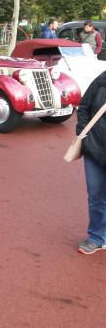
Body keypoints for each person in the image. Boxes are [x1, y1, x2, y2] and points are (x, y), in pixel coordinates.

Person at [75, 71, 106, 255]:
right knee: (96, 196)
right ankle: (96, 237)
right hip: (94, 148)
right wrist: (83, 135)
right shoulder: (102, 79)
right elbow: (84, 106)